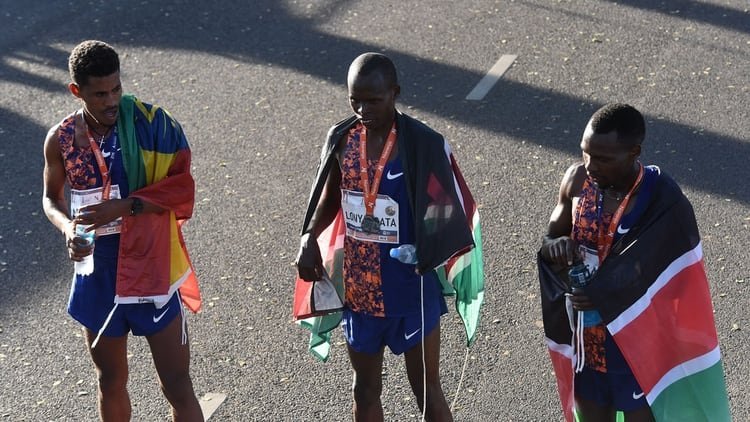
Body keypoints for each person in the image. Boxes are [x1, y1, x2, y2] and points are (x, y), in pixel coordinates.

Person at [294, 52, 484, 422]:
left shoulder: (421, 144)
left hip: (411, 288)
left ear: (394, 93)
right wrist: (308, 237)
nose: (363, 108)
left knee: (426, 391)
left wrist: (426, 246)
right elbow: (330, 198)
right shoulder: (342, 139)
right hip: (361, 288)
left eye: (373, 100)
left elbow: (448, 208)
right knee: (364, 391)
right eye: (355, 99)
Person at [42, 40, 203, 421]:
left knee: (177, 384)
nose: (112, 100)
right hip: (97, 277)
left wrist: (124, 206)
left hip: (150, 271)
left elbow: (181, 189)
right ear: (76, 91)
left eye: (116, 88)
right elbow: (51, 199)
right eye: (100, 94)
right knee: (109, 381)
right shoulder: (61, 139)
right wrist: (67, 228)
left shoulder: (151, 126)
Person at [538, 103, 730, 421]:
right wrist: (555, 246)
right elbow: (548, 242)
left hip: (637, 343)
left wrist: (607, 289)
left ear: (633, 152)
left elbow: (673, 273)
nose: (591, 165)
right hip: (589, 341)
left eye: (602, 158)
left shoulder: (661, 198)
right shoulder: (576, 181)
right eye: (586, 153)